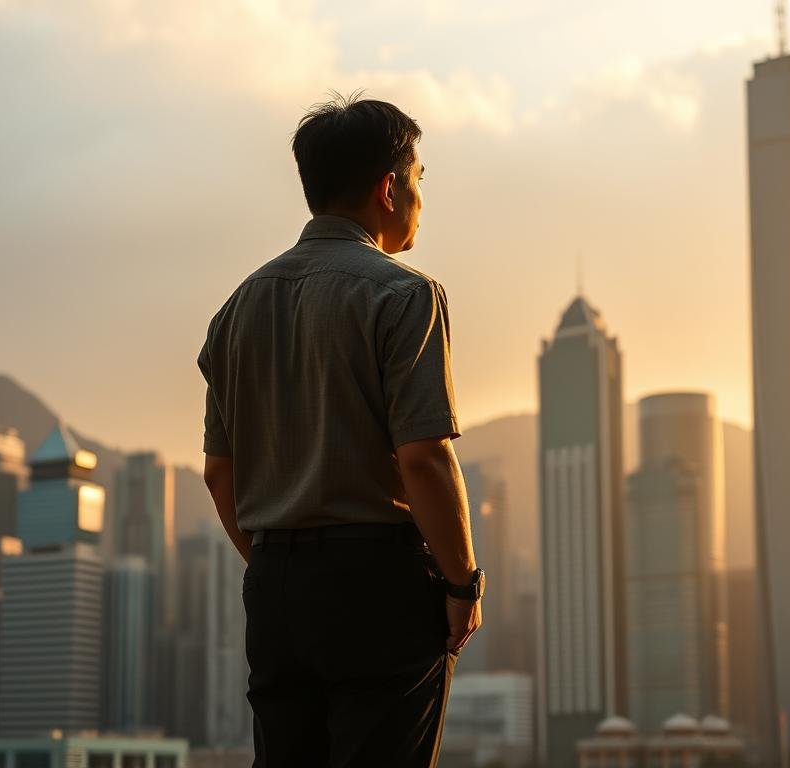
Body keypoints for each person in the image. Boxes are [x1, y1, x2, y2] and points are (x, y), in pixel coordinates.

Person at [198, 94, 483, 768]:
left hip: (273, 586)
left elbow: (219, 473)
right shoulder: (404, 294)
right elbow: (425, 459)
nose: (419, 195)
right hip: (378, 583)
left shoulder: (234, 311)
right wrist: (461, 583)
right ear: (389, 188)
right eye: (418, 178)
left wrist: (280, 561)